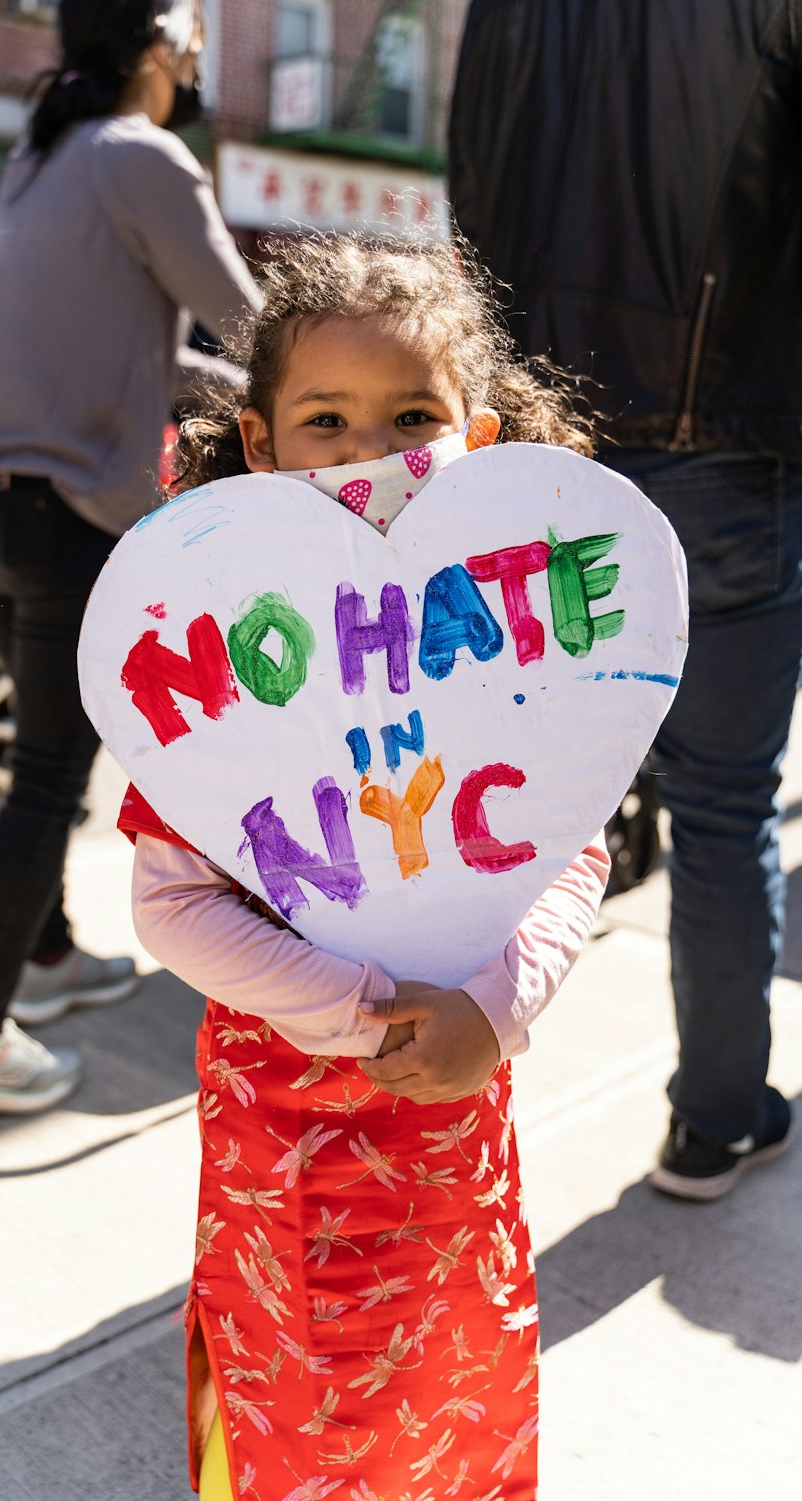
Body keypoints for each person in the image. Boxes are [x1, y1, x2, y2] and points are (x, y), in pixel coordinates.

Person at [111, 234, 611, 1500]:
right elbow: (169, 902)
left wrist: (493, 1009)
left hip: (451, 1125)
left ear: (477, 437)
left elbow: (574, 848)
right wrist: (357, 1011)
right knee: (302, 1425)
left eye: (410, 416)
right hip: (284, 1141)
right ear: (263, 444)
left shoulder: (513, 639)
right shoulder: (213, 638)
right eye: (326, 418)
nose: (369, 453)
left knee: (450, 1401)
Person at [448, 0, 802, 1202]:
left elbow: (474, 206)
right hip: (720, 453)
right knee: (722, 803)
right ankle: (712, 1118)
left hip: (539, 458)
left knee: (476, 796)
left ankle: (419, 1136)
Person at [0, 0, 261, 1119]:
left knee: (39, 767)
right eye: (193, 29)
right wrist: (327, 404)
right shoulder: (141, 157)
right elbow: (249, 327)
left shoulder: (41, 158)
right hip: (67, 519)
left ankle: (46, 958)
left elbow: (145, 361)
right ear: (161, 47)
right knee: (51, 780)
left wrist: (272, 404)